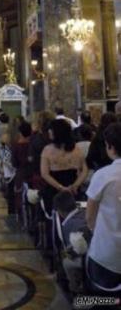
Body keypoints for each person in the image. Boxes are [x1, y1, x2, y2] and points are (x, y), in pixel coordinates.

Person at [86, 122, 121, 290]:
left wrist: (95, 231)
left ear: (110, 147)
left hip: (107, 250)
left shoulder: (103, 175)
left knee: (102, 299)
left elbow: (90, 215)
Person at [40, 119, 88, 213]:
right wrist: (76, 185)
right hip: (73, 189)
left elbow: (44, 173)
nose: (49, 131)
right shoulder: (76, 149)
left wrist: (61, 188)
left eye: (51, 129)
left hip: (53, 189)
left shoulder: (47, 150)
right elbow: (84, 170)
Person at [53, 190, 91, 293]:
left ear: (60, 211)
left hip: (90, 259)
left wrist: (66, 254)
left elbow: (76, 250)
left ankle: (75, 289)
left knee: (67, 262)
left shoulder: (69, 225)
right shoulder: (84, 213)